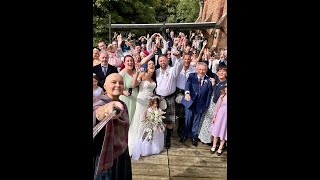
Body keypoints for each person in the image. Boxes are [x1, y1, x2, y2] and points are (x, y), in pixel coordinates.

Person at [93, 73, 132, 180]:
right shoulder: (98, 101)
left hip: (122, 154)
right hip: (104, 154)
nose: (118, 85)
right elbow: (98, 112)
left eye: (121, 83)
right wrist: (108, 109)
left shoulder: (123, 104)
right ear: (105, 86)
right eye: (113, 82)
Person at [127, 60, 157, 156]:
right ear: (147, 66)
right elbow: (134, 84)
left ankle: (146, 142)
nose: (152, 65)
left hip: (150, 101)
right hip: (142, 100)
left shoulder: (154, 77)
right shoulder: (143, 74)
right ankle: (137, 142)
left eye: (153, 64)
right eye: (149, 64)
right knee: (140, 119)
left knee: (148, 120)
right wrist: (137, 73)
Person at [180, 62, 213, 147]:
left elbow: (209, 94)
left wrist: (206, 105)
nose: (201, 71)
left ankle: (194, 137)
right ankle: (185, 135)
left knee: (196, 121)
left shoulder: (208, 80)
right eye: (200, 69)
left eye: (204, 70)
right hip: (190, 102)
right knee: (187, 119)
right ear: (196, 69)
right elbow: (187, 85)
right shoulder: (192, 76)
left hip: (200, 105)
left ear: (206, 70)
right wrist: (187, 93)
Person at [155, 52, 184, 149]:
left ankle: (168, 138)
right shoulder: (157, 71)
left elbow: (179, 65)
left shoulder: (172, 70)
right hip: (159, 98)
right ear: (158, 62)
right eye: (160, 61)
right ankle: (160, 137)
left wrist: (179, 57)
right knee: (159, 119)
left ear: (168, 60)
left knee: (169, 120)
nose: (162, 62)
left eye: (164, 60)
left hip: (170, 97)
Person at [175, 53, 196, 138]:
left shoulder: (193, 70)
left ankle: (182, 129)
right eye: (185, 59)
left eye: (188, 59)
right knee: (179, 112)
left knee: (185, 112)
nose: (187, 61)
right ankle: (179, 128)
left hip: (188, 92)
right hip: (178, 91)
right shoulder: (178, 68)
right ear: (183, 59)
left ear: (191, 60)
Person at [210, 84, 227, 156]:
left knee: (224, 133)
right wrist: (214, 116)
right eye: (226, 88)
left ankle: (220, 147)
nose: (226, 90)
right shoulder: (222, 96)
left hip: (226, 120)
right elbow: (217, 107)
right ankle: (214, 146)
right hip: (220, 117)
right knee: (216, 131)